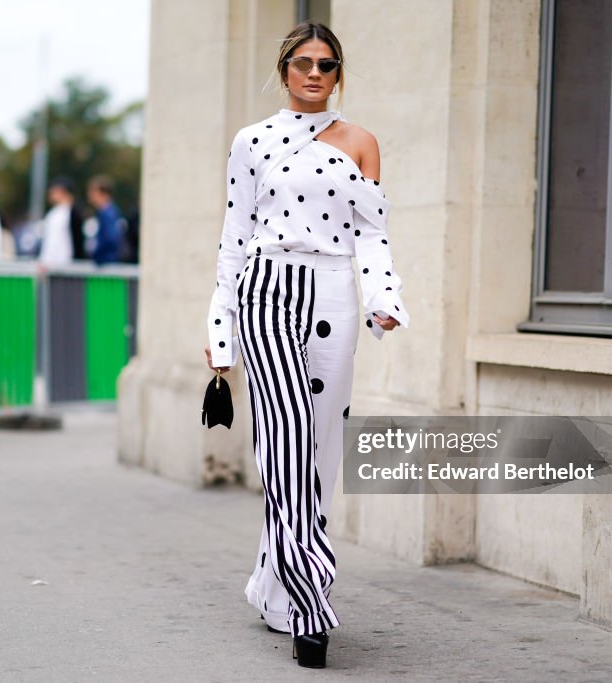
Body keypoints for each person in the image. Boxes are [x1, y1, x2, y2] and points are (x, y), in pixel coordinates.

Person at [203, 22, 409, 669]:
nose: (314, 72)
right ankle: (309, 601)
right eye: (302, 62)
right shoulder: (253, 142)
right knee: (283, 441)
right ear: (284, 68)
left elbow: (372, 234)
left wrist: (383, 297)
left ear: (337, 72)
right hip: (267, 288)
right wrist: (219, 325)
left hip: (333, 294)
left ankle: (272, 582)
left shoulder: (361, 143)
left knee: (316, 450)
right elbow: (234, 235)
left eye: (326, 63)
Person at [38, 177, 76, 267]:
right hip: (62, 263)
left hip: (58, 264)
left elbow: (52, 241)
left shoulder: (60, 214)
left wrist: (45, 261)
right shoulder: (60, 212)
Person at [86, 176, 124, 266]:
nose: (89, 195)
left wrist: (96, 251)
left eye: (92, 192)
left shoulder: (107, 213)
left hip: (106, 264)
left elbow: (111, 238)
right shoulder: (108, 212)